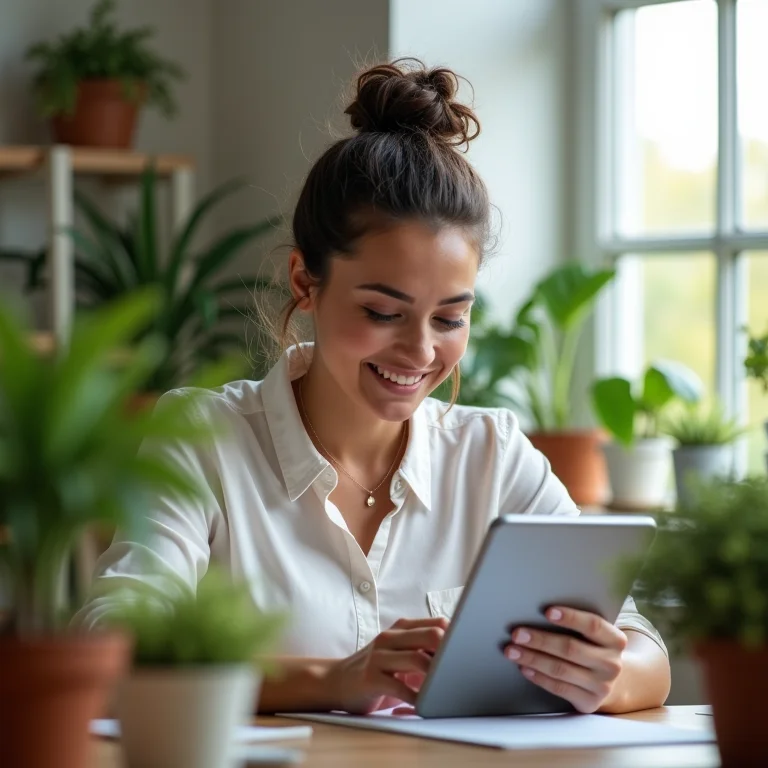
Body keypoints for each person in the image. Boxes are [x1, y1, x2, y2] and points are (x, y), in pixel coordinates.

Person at [76, 59, 671, 716]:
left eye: (450, 317)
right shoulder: (204, 440)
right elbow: (112, 647)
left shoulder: (493, 455)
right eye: (383, 312)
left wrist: (603, 676)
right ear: (306, 283)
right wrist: (331, 679)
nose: (419, 351)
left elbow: (644, 649)